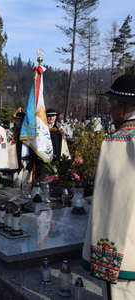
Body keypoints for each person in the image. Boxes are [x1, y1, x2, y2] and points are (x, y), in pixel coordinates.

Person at [82, 74, 135, 299]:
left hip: (125, 249)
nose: (111, 111)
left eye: (112, 105)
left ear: (123, 107)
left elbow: (111, 202)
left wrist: (105, 256)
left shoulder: (118, 141)